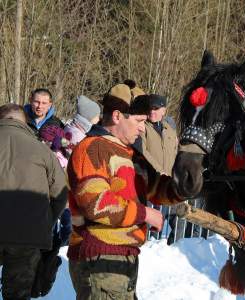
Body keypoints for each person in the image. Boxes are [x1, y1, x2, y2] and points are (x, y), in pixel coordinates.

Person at [67, 82, 183, 299]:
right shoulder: (94, 147)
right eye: (139, 121)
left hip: (121, 256)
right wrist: (145, 214)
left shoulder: (127, 153)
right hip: (100, 256)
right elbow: (96, 203)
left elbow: (154, 189)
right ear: (118, 116)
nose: (142, 128)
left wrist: (183, 184)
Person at [0, 103, 67, 300]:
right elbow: (60, 193)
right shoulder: (42, 150)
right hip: (28, 234)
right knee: (18, 294)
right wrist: (45, 221)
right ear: (24, 123)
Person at [133, 94, 178, 176]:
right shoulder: (142, 127)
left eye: (156, 108)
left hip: (170, 180)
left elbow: (175, 152)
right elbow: (142, 151)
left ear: (163, 111)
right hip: (151, 178)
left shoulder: (170, 130)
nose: (151, 111)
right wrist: (159, 170)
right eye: (150, 108)